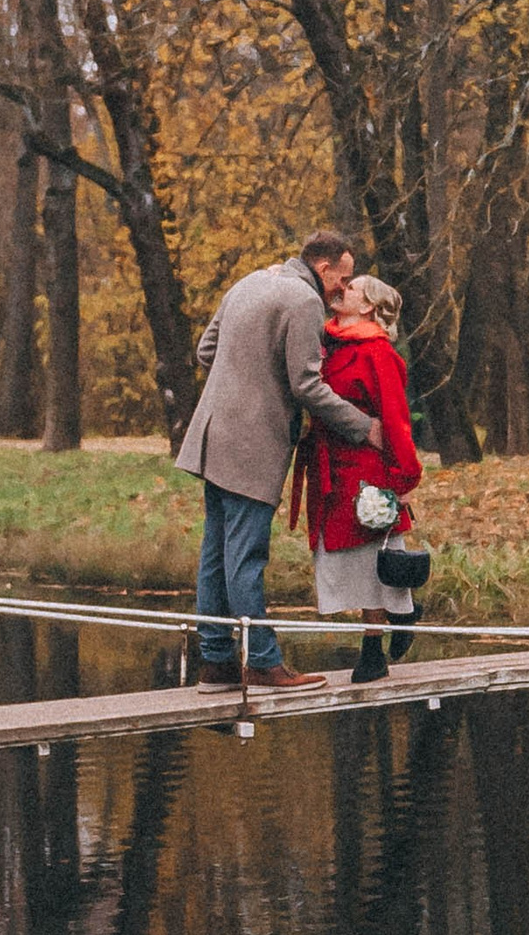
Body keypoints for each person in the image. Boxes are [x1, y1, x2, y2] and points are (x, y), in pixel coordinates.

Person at [177, 230, 378, 688]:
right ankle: (264, 662)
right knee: (245, 556)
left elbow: (205, 351)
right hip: (252, 444)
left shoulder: (248, 282)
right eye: (342, 281)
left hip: (213, 435)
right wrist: (365, 426)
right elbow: (307, 386)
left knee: (215, 553)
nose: (342, 292)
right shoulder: (303, 302)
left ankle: (217, 661)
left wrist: (242, 381)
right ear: (323, 269)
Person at [292, 272, 423, 683]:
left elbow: (396, 419)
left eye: (351, 288)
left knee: (370, 559)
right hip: (330, 468)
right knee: (341, 561)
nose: (341, 289)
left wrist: (404, 479)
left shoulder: (377, 353)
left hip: (368, 470)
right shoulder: (327, 344)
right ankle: (404, 613)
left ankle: (373, 651)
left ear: (366, 306)